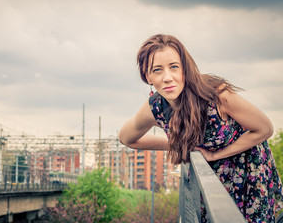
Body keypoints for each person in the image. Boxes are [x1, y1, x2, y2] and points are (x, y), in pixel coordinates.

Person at [118, 34, 283, 222]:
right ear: (148, 77)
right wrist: (178, 144)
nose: (167, 77)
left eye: (174, 67)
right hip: (209, 181)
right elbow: (126, 138)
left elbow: (264, 129)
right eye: (157, 70)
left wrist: (214, 155)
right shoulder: (156, 107)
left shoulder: (216, 95)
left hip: (248, 174)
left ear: (184, 70)